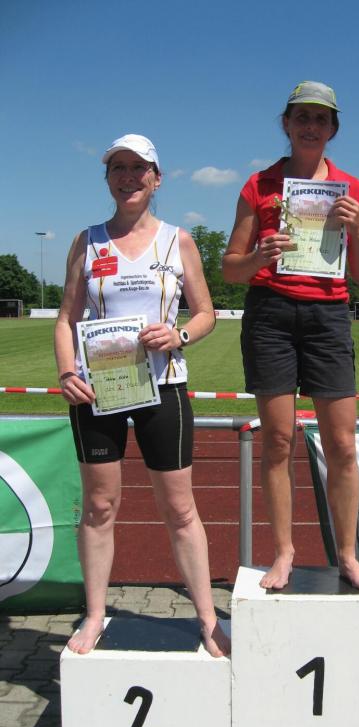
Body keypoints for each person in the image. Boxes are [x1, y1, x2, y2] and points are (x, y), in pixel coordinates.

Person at [54, 134, 230, 657]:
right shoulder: (87, 241)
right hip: (97, 390)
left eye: (139, 168)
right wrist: (66, 372)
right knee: (99, 505)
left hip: (163, 387)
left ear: (156, 178)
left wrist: (178, 334)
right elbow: (66, 319)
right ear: (108, 178)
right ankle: (94, 615)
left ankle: (207, 619)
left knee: (179, 508)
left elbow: (207, 313)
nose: (128, 177)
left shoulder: (178, 240)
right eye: (118, 168)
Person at [222, 81, 359, 592]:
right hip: (270, 315)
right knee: (278, 440)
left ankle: (348, 555)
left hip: (328, 316)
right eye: (302, 117)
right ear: (286, 124)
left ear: (333, 129)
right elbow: (231, 268)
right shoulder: (259, 184)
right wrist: (259, 256)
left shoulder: (352, 190)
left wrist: (358, 230)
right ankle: (285, 552)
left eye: (321, 119)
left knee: (342, 444)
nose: (311, 126)